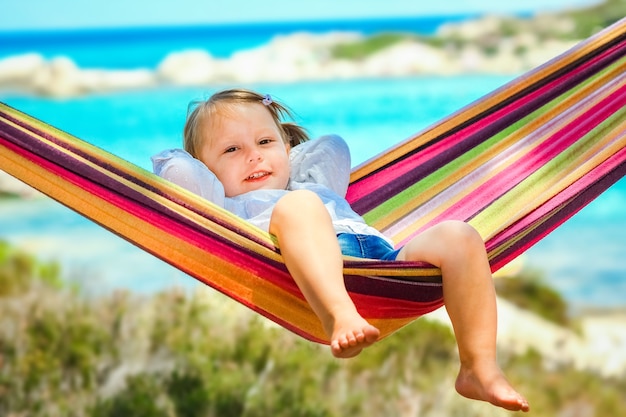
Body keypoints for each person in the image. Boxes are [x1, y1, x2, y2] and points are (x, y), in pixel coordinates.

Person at [152, 88, 530, 412]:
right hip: (315, 277)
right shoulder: (227, 203)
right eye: (232, 149)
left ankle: (478, 367)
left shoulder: (315, 185)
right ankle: (339, 316)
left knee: (459, 235)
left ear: (287, 147)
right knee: (300, 207)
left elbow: (332, 146)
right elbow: (176, 171)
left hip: (382, 261)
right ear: (206, 170)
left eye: (265, 142)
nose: (254, 156)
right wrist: (210, 154)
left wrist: (283, 153)